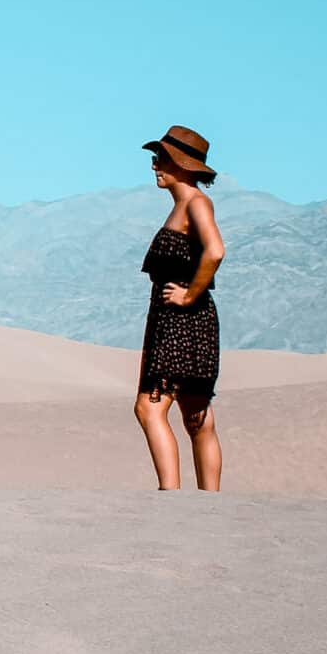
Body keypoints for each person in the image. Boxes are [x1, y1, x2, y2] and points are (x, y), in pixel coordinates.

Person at [134, 125, 225, 490]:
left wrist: (188, 295)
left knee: (149, 408)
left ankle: (171, 499)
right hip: (174, 320)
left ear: (183, 165)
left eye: (162, 159)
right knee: (195, 416)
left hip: (184, 320)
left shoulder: (197, 204)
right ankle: (207, 504)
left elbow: (216, 250)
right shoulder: (182, 207)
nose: (155, 166)